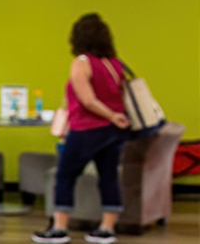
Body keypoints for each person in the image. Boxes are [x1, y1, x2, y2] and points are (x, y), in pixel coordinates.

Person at [32, 14, 130, 244]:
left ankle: (59, 228)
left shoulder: (82, 63)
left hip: (86, 129)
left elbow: (87, 100)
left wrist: (110, 115)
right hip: (114, 131)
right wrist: (116, 118)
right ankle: (106, 229)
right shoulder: (114, 64)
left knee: (65, 175)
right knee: (108, 177)